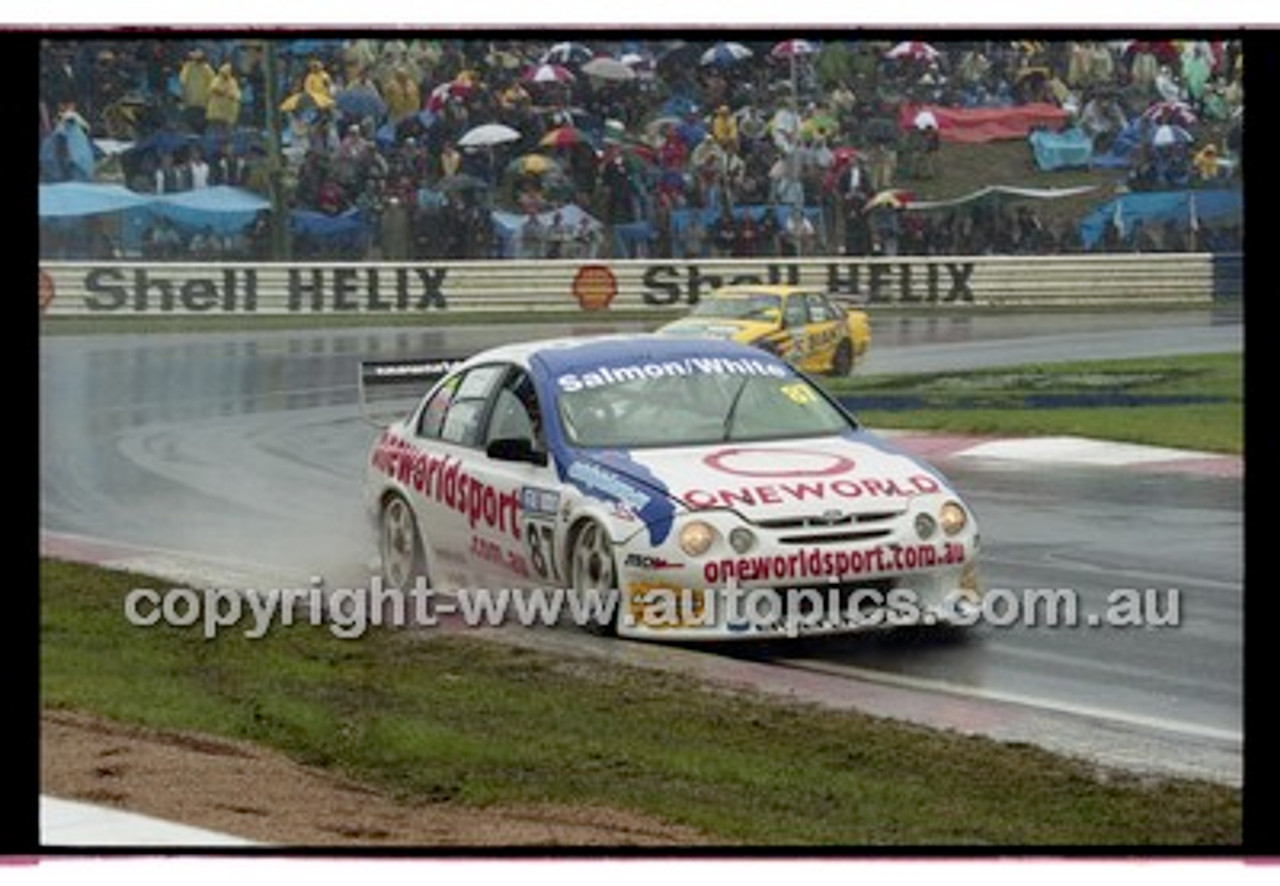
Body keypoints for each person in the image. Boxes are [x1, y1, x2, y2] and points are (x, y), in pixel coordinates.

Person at [178, 47, 216, 133]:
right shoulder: (188, 67)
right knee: (191, 123)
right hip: (191, 102)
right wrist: (183, 97)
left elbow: (212, 85)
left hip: (202, 103)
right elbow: (183, 83)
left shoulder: (207, 69)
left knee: (201, 125)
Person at [204, 62, 241, 134]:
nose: (224, 75)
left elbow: (234, 95)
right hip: (216, 113)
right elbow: (213, 89)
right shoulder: (216, 80)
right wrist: (223, 93)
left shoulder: (232, 82)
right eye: (222, 73)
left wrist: (224, 93)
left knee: (226, 132)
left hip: (227, 113)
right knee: (216, 131)